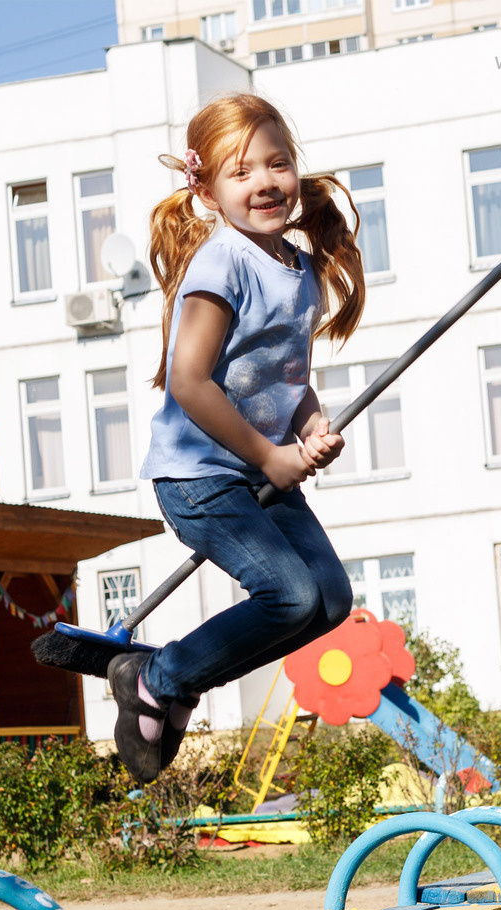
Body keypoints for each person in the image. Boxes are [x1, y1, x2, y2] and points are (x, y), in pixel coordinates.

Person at [108, 93, 365, 784]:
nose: (265, 183)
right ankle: (159, 677)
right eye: (241, 172)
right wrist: (271, 455)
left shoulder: (299, 270)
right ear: (206, 190)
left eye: (278, 164)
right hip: (201, 478)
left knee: (329, 600)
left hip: (257, 473)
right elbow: (190, 381)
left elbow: (285, 375)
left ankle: (177, 679)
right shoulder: (221, 263)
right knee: (290, 596)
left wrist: (310, 425)